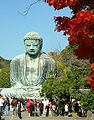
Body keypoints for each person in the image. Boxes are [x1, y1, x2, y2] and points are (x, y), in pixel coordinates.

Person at [1, 32, 55, 98]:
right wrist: (22, 87)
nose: (31, 48)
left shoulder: (49, 61)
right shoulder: (16, 60)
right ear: (24, 45)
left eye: (35, 45)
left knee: (46, 93)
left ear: (40, 45)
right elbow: (14, 82)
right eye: (28, 45)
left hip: (39, 90)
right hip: (22, 90)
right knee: (5, 92)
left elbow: (51, 81)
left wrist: (40, 87)